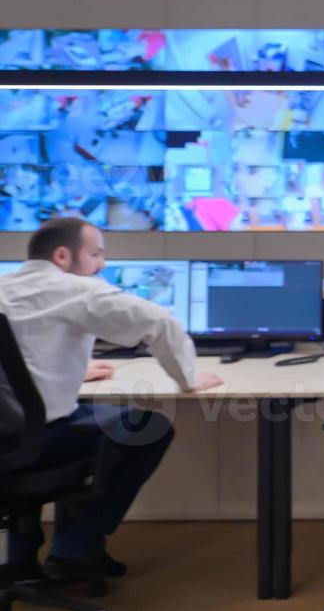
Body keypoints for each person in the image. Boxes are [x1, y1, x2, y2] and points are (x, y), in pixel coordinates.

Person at [0, 217, 222, 580]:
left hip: (7, 436)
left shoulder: (4, 287)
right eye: (96, 254)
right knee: (149, 427)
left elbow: (17, 357)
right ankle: (75, 550)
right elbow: (160, 322)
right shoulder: (77, 290)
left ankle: (19, 560)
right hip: (44, 439)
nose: (101, 264)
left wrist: (68, 370)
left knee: (91, 419)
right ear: (62, 255)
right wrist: (189, 380)